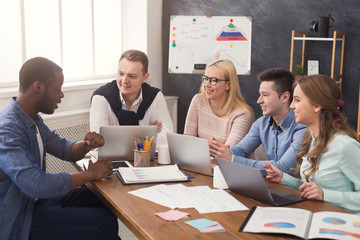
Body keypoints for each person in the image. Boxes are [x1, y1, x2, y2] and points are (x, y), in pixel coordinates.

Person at [0, 57, 119, 240]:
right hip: (23, 217)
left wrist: (86, 145)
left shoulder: (32, 119)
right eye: (58, 89)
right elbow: (35, 184)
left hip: (41, 202)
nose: (61, 95)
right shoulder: (8, 129)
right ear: (38, 87)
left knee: (103, 201)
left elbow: (64, 148)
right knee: (103, 223)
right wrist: (90, 174)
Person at [265, 74, 360, 213]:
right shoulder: (311, 138)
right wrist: (283, 178)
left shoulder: (345, 146)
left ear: (316, 105)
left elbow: (321, 192)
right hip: (319, 215)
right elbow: (311, 188)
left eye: (297, 100)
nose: (291, 106)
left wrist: (325, 195)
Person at [209, 68, 306, 174]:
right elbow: (241, 150)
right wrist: (219, 150)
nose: (259, 101)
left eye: (265, 95)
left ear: (285, 97)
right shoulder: (261, 124)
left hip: (294, 189)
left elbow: (283, 168)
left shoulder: (302, 127)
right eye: (260, 95)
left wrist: (232, 159)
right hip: (271, 185)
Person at [90, 49, 173, 146]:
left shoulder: (155, 96)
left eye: (132, 76)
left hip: (146, 159)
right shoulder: (101, 97)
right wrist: (146, 134)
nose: (124, 80)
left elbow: (168, 138)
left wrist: (119, 140)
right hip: (111, 160)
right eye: (121, 74)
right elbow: (100, 143)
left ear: (145, 77)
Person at [184, 59, 254, 147]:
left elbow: (227, 153)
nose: (207, 85)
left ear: (228, 85)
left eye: (214, 80)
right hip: (206, 160)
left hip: (232, 161)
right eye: (205, 79)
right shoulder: (198, 100)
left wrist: (201, 146)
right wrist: (206, 146)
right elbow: (187, 142)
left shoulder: (241, 115)